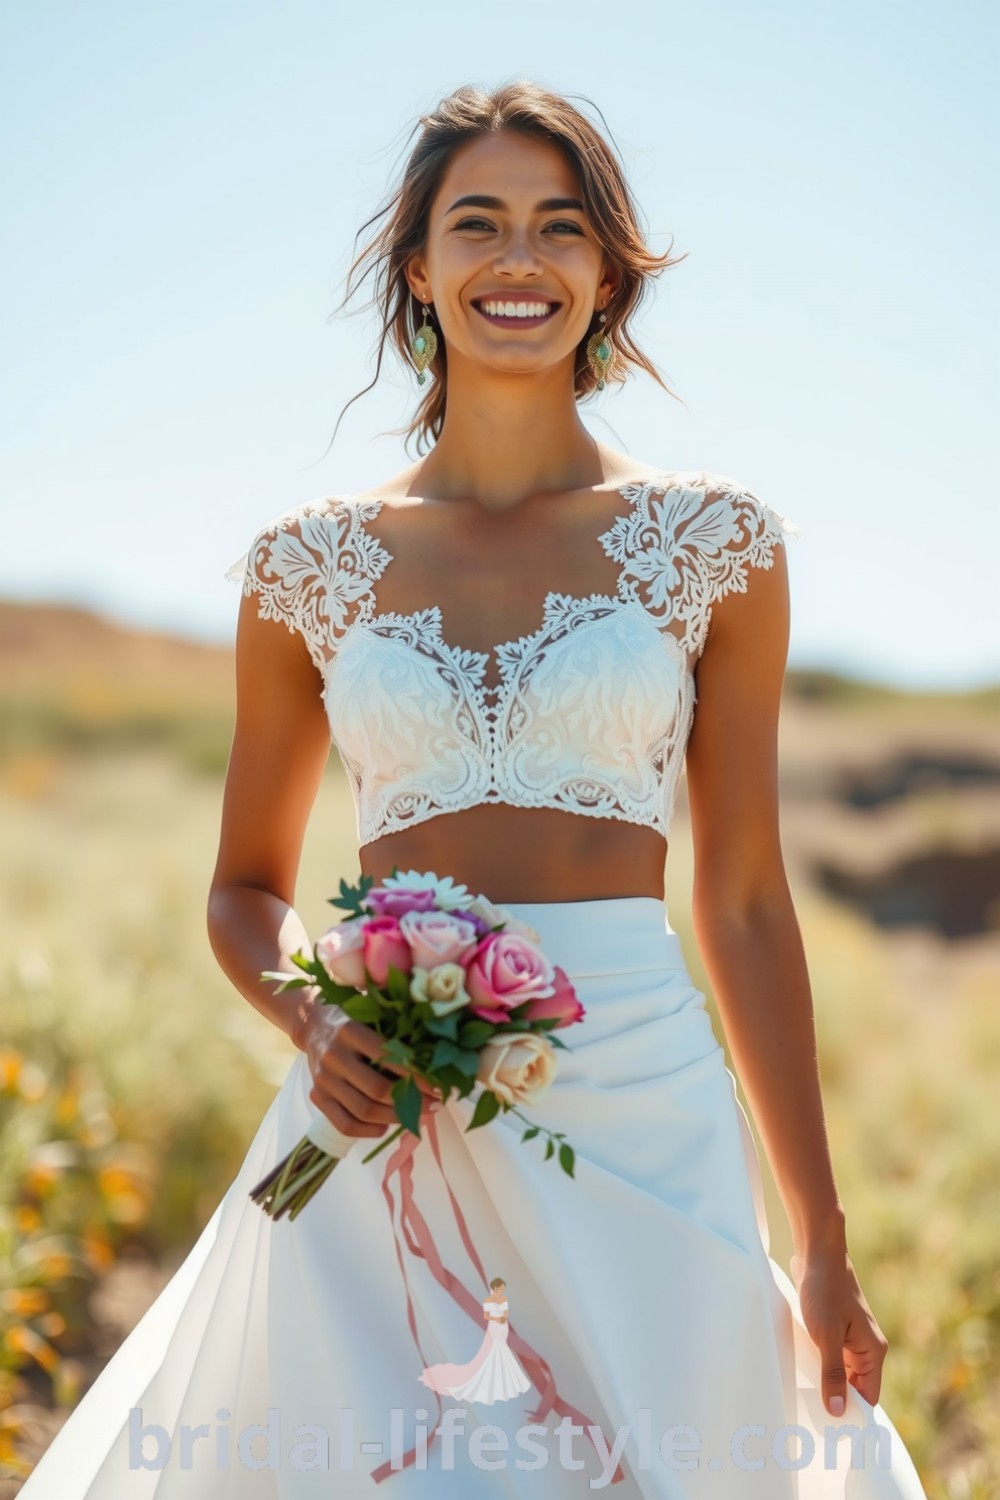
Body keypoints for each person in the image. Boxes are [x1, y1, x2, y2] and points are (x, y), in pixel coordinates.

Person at [17, 80, 929, 1499]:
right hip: (387, 1112)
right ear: (419, 270)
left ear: (609, 274)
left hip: (641, 1102)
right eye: (479, 223)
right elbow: (243, 891)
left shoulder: (715, 544)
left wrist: (818, 1236)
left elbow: (744, 897)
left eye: (562, 228)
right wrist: (314, 1017)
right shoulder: (305, 567)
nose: (521, 258)